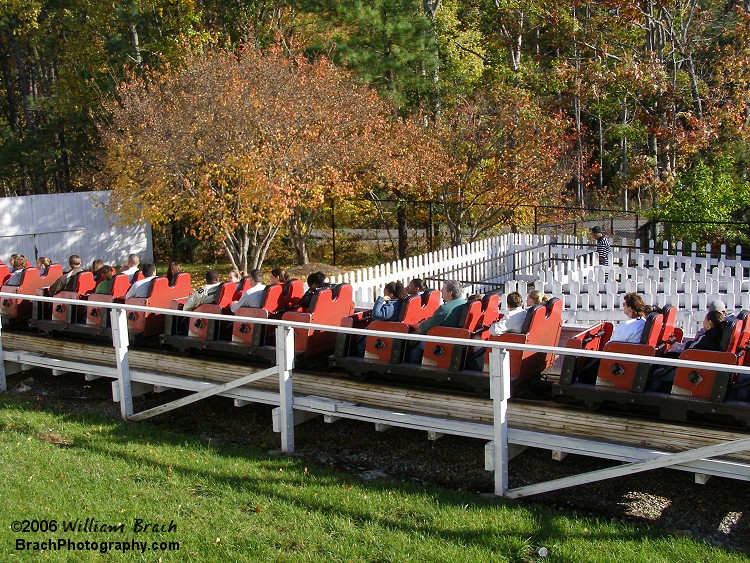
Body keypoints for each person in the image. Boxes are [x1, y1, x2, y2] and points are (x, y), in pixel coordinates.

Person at [647, 310, 725, 393]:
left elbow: (689, 349)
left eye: (704, 320)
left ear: (709, 322)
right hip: (702, 368)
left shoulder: (707, 337)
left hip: (693, 370)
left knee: (657, 374)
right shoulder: (718, 337)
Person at [408, 280, 467, 363]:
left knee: (416, 340)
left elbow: (424, 327)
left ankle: (412, 365)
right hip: (457, 338)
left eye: (443, 289)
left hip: (444, 342)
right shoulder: (464, 303)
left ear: (450, 293)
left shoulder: (445, 309)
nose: (441, 291)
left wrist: (415, 325)